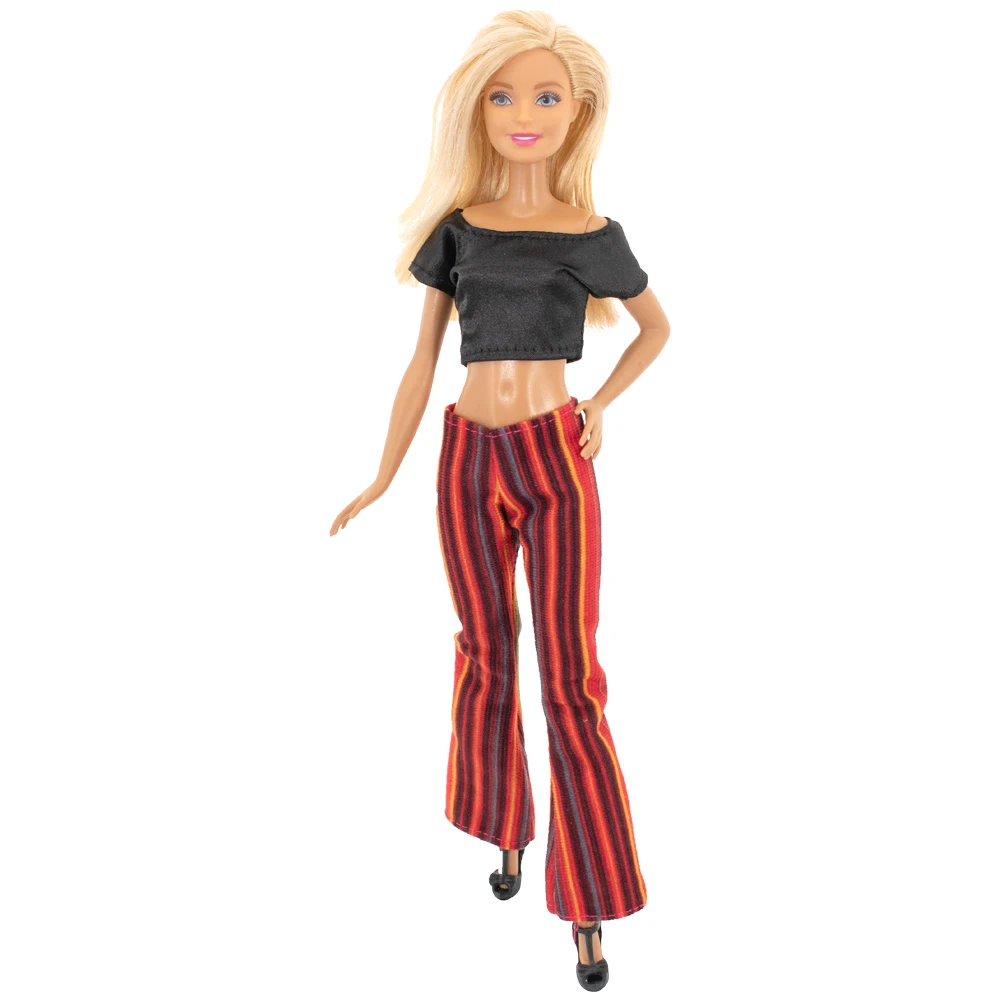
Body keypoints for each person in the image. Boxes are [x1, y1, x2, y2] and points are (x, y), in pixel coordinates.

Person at [331, 11, 670, 991]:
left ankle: (590, 897)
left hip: (554, 455)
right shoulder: (459, 229)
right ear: (476, 110)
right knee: (485, 651)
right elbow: (420, 360)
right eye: (503, 95)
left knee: (571, 681)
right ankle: (504, 825)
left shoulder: (594, 236)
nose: (525, 113)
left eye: (547, 96)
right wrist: (383, 472)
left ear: (578, 112)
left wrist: (600, 404)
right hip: (465, 459)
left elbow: (656, 329)